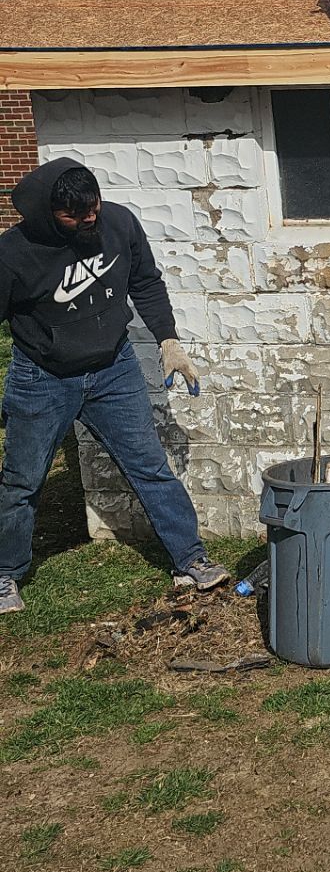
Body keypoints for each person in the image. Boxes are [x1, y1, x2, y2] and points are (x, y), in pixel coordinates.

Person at [0, 158, 226, 613]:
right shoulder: (13, 254)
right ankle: (6, 574)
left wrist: (168, 340)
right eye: (75, 215)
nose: (88, 220)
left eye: (93, 210)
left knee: (149, 466)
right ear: (48, 213)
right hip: (42, 378)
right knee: (21, 482)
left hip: (113, 368)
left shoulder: (118, 223)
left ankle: (191, 559)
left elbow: (145, 281)